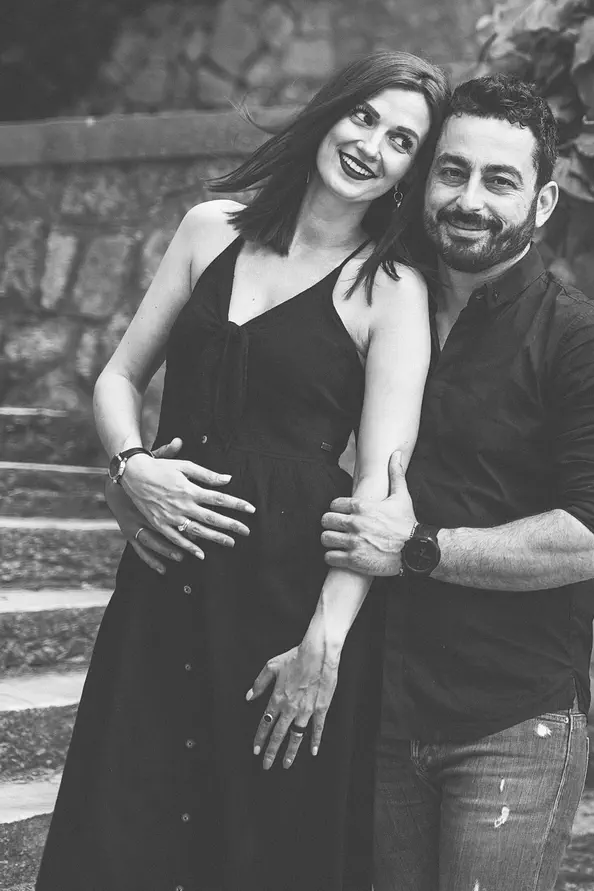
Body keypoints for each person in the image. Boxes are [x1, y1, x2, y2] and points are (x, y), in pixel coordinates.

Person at [37, 52, 449, 891]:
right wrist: (130, 468)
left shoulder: (392, 288)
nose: (372, 145)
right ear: (330, 110)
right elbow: (118, 378)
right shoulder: (207, 229)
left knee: (258, 847)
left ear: (411, 171)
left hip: (284, 603)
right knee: (122, 828)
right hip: (162, 579)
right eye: (365, 116)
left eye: (402, 140)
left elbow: (378, 486)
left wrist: (323, 642)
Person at [318, 74, 594, 891]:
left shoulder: (589, 343)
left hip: (510, 724)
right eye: (453, 171)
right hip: (376, 710)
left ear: (542, 203)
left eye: (499, 180)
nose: (469, 200)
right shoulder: (371, 306)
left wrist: (419, 549)